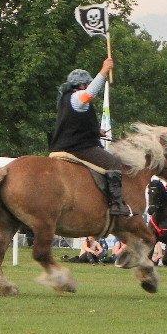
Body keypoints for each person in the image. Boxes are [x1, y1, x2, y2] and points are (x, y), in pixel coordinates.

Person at [47, 57, 130, 216]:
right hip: (79, 148)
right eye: (86, 84)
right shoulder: (78, 97)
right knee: (114, 162)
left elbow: (73, 124)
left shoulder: (67, 100)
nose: (87, 87)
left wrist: (96, 131)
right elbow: (90, 93)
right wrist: (104, 70)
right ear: (81, 85)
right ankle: (116, 204)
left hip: (65, 145)